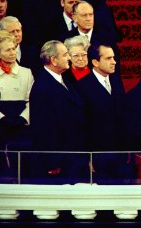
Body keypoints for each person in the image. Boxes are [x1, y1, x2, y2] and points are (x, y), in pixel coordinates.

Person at [29, 40, 88, 183]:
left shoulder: (65, 78)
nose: (69, 58)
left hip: (75, 155)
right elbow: (44, 129)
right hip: (60, 162)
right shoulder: (42, 87)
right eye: (65, 54)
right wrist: (53, 162)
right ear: (53, 60)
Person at [75, 42, 128, 182]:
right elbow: (81, 126)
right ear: (95, 62)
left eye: (114, 58)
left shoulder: (116, 81)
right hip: (98, 156)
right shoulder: (82, 87)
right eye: (109, 58)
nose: (114, 62)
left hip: (120, 154)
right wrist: (87, 157)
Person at [0, 30, 34, 177]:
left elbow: (31, 99)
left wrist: (23, 118)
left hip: (21, 124)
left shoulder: (26, 72)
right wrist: (1, 118)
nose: (13, 52)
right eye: (8, 50)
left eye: (14, 48)